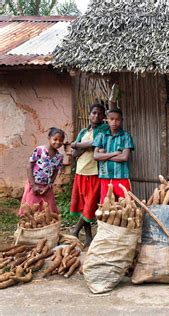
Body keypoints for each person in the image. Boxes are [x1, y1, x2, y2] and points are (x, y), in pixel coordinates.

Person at [70, 103, 107, 245]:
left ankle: (75, 231)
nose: (96, 116)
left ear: (103, 117)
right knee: (84, 204)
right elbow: (74, 154)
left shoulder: (104, 129)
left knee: (90, 204)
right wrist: (81, 147)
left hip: (95, 172)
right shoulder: (83, 131)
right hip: (81, 171)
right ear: (89, 114)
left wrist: (77, 145)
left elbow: (94, 143)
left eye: (99, 114)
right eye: (94, 113)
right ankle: (89, 237)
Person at [19, 127, 65, 215]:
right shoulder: (39, 150)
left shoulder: (59, 156)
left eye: (61, 140)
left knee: (48, 210)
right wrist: (33, 185)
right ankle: (29, 227)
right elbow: (29, 166)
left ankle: (46, 228)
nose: (58, 142)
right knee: (31, 209)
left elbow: (55, 171)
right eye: (55, 139)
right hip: (34, 184)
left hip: (46, 187)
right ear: (49, 138)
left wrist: (49, 186)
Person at [93, 108, 134, 202]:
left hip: (121, 177)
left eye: (117, 119)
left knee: (125, 204)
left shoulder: (126, 137)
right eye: (111, 119)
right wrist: (115, 153)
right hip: (105, 177)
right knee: (105, 206)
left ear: (122, 120)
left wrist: (103, 156)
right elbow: (95, 156)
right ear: (107, 120)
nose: (114, 122)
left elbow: (124, 157)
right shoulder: (101, 136)